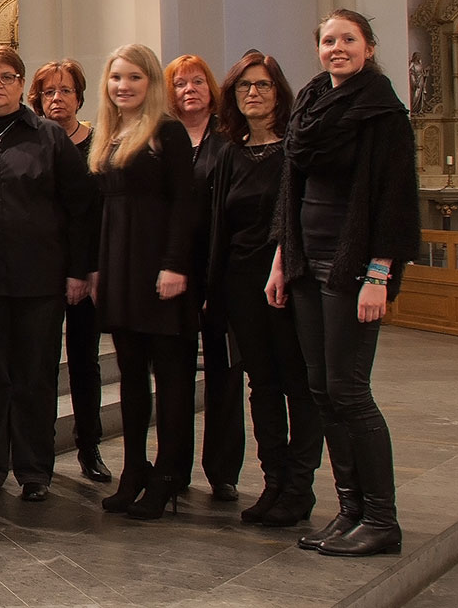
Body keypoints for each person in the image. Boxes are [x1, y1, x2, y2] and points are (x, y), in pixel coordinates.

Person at [266, 10, 419, 557]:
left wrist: (379, 274)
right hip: (307, 261)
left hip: (352, 265)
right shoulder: (309, 105)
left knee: (350, 392)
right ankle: (351, 509)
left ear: (369, 47)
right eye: (329, 40)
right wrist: (281, 259)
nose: (338, 48)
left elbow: (397, 200)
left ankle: (381, 518)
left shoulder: (382, 111)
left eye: (348, 39)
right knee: (323, 392)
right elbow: (291, 189)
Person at [0, 46, 95, 503]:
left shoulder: (48, 137)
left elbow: (80, 209)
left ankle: (35, 471)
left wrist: (78, 271)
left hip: (40, 279)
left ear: (20, 84)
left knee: (35, 377)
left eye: (6, 77)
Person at [210, 50, 320, 528]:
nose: (252, 93)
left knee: (299, 383)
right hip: (240, 283)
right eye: (243, 86)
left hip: (289, 281)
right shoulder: (229, 153)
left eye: (263, 85)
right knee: (262, 384)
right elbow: (219, 226)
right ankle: (273, 481)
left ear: (279, 92)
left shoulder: (296, 150)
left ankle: (299, 487)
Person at [89, 44, 198, 521]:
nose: (124, 86)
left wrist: (175, 265)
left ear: (150, 82)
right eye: (117, 77)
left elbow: (185, 204)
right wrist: (97, 269)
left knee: (170, 381)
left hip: (158, 269)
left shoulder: (166, 132)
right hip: (119, 267)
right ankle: (134, 470)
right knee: (131, 378)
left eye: (134, 77)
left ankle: (167, 475)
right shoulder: (109, 133)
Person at [28, 58, 112, 484]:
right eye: (49, 92)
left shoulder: (98, 144)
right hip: (42, 266)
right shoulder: (32, 142)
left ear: (79, 97)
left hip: (85, 267)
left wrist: (86, 269)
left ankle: (89, 446)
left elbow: (94, 212)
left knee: (84, 361)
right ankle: (38, 452)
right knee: (41, 363)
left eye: (65, 91)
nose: (57, 99)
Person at [168, 52, 244, 501]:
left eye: (197, 81)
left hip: (220, 267)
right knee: (175, 373)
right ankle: (174, 468)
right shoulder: (163, 136)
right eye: (180, 83)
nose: (189, 90)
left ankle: (222, 469)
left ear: (211, 89)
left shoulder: (229, 138)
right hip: (177, 267)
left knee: (224, 372)